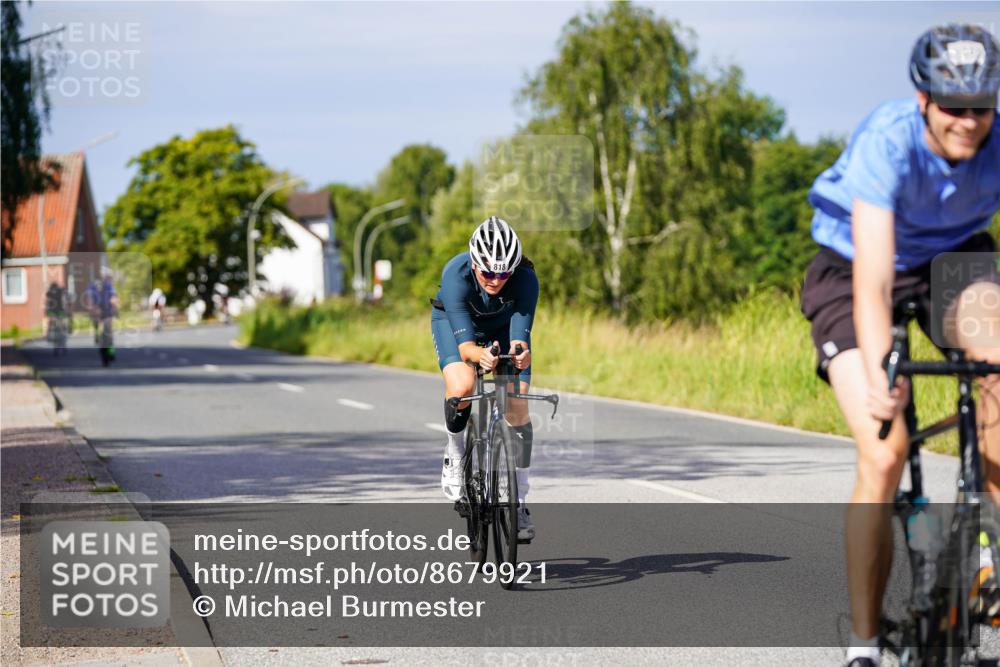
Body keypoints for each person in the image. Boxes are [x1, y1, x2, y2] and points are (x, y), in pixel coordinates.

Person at [799, 24, 1000, 667]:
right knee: (883, 451)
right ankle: (864, 643)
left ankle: (989, 552)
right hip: (855, 265)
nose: (969, 122)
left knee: (997, 372)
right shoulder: (888, 140)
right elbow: (876, 275)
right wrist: (882, 364)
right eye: (953, 107)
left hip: (958, 260)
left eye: (982, 107)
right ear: (924, 101)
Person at [431, 216, 539, 541]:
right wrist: (480, 356)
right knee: (463, 386)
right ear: (475, 263)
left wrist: (520, 353)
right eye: (488, 272)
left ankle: (518, 500)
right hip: (457, 328)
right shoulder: (456, 275)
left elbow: (520, 337)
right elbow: (466, 348)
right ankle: (455, 452)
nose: (496, 280)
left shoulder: (525, 280)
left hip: (501, 329)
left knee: (517, 404)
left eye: (504, 273)